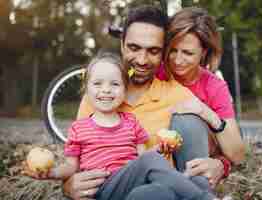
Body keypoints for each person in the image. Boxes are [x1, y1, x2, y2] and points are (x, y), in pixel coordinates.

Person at [64, 5, 245, 200]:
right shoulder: (100, 95)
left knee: (157, 192)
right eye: (134, 48)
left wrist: (220, 163)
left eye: (153, 51)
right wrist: (67, 185)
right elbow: (75, 157)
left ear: (161, 53)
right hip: (111, 188)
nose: (142, 60)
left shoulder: (180, 95)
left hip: (153, 191)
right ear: (122, 44)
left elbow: (229, 150)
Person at [25, 51, 217, 200]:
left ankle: (188, 188)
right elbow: (70, 166)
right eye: (98, 83)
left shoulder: (131, 122)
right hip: (103, 189)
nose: (106, 90)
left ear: (125, 90)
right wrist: (51, 173)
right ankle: (203, 198)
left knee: (163, 191)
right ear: (86, 88)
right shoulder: (79, 128)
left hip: (131, 190)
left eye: (115, 84)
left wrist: (161, 149)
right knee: (174, 176)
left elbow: (144, 159)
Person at [161, 6, 244, 175]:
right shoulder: (154, 70)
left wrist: (205, 112)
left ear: (204, 52)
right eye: (173, 50)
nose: (177, 60)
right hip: (156, 159)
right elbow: (126, 73)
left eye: (187, 53)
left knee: (189, 122)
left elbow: (238, 155)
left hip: (190, 167)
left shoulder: (214, 86)